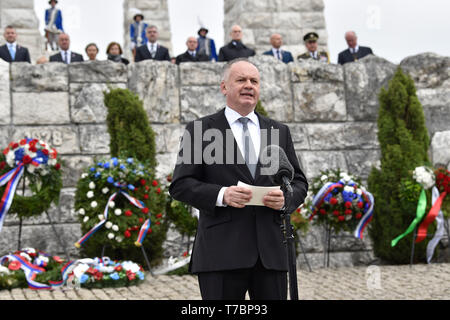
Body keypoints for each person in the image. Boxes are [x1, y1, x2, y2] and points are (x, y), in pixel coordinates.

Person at [169, 59, 308, 300]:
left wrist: (285, 198)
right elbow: (181, 185)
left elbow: (299, 183)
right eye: (241, 80)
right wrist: (222, 195)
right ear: (224, 87)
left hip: (271, 254)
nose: (248, 85)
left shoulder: (278, 131)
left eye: (254, 81)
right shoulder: (199, 130)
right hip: (221, 252)